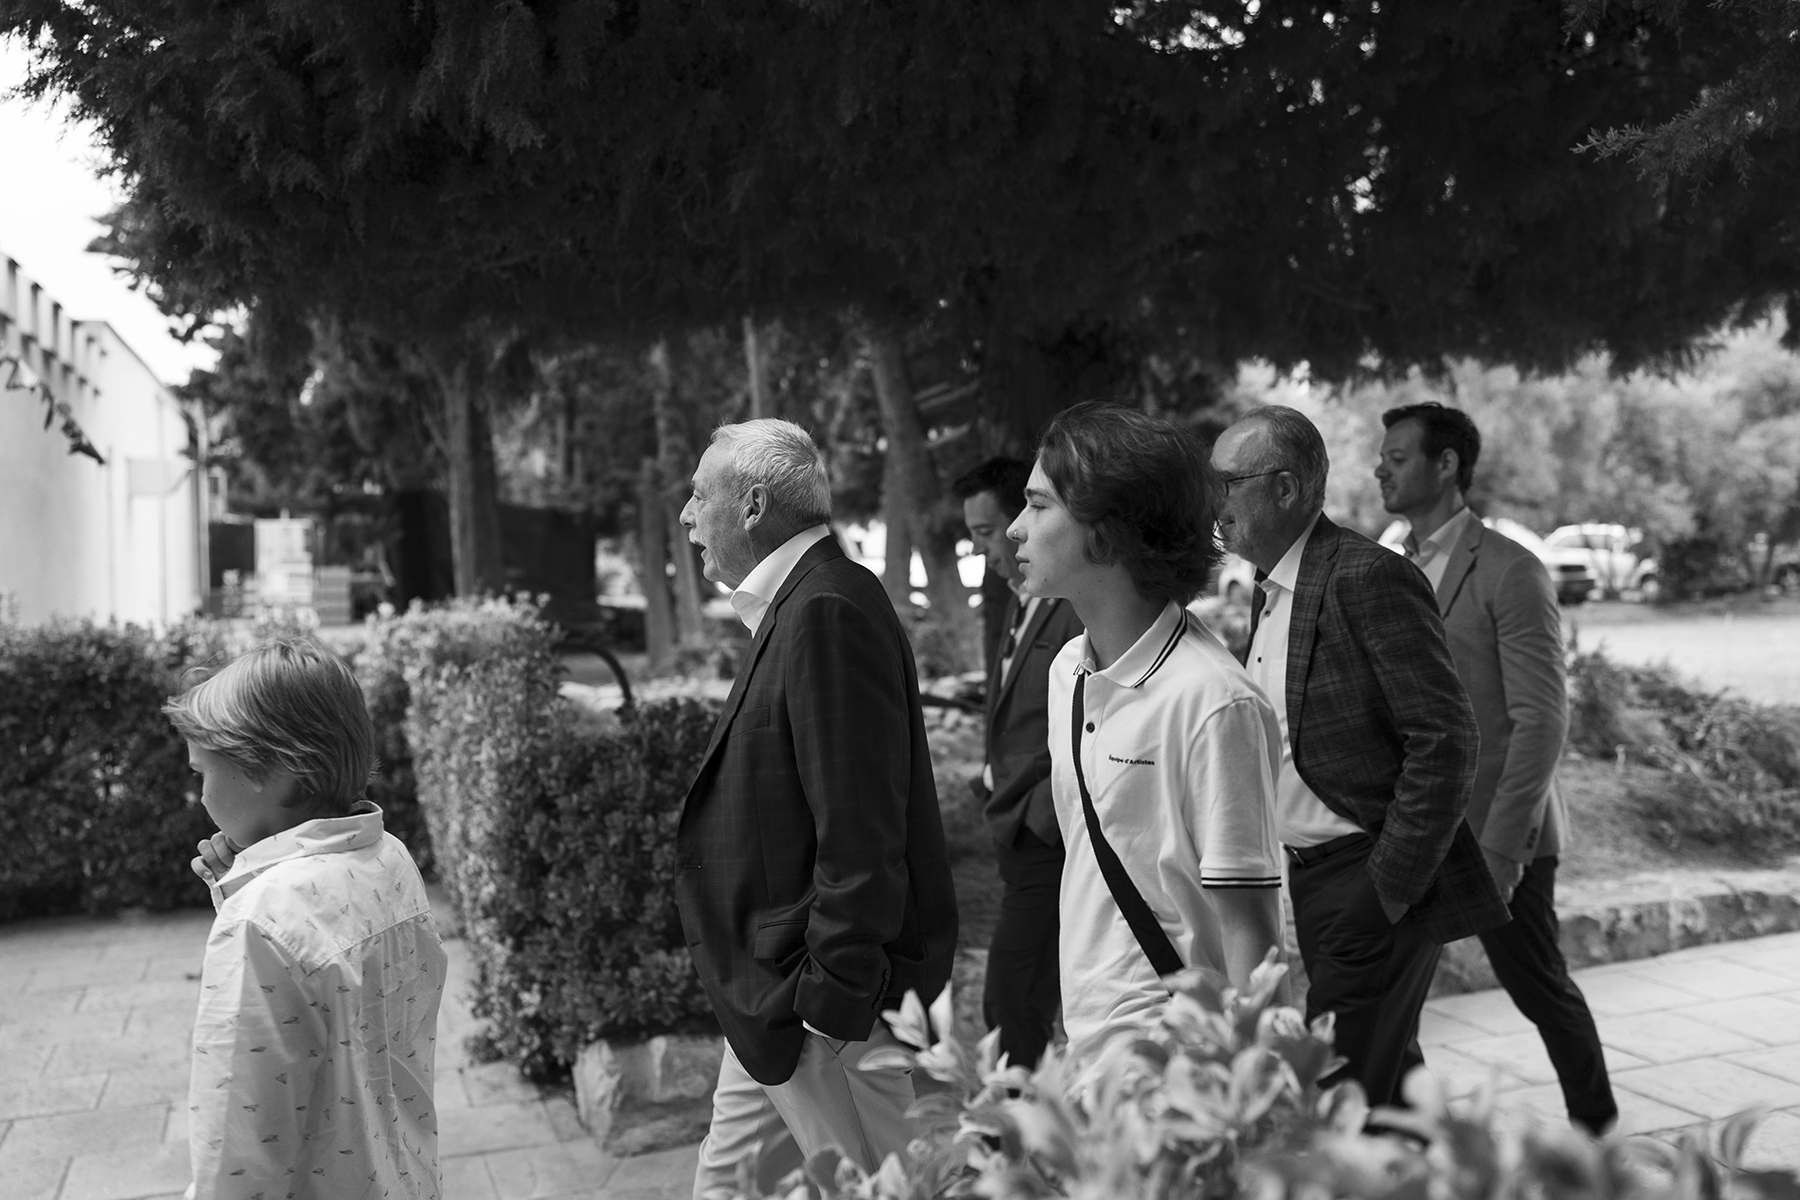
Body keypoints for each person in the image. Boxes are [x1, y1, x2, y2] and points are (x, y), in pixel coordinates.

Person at [677, 418, 958, 1198]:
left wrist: (829, 1003)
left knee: (890, 1188)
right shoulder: (806, 602)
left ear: (753, 505)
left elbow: (861, 830)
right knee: (728, 1184)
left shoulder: (827, 608)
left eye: (700, 495)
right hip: (778, 999)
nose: (688, 516)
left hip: (825, 1006)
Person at [1211, 405, 1508, 1108]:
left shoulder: (1367, 576)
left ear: (1285, 488)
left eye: (1227, 484)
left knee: (1339, 1098)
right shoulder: (1274, 588)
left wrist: (1388, 890)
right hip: (1314, 880)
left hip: (1367, 879)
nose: (1213, 503)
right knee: (1388, 1092)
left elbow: (1445, 738)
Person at [1005, 402, 1285, 1065]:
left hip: (1179, 1055)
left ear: (1108, 534)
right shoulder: (1069, 671)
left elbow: (1251, 932)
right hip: (1088, 1038)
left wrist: (1251, 1087)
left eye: (1039, 506)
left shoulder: (1213, 701)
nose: (1015, 528)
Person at [1378, 402, 1617, 1134]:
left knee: (1536, 983)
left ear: (1446, 464)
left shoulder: (1511, 570)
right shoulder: (1390, 567)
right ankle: (1415, 1141)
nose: (1380, 469)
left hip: (1494, 830)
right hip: (1414, 824)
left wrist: (1504, 848)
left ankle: (1596, 1131)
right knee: (1384, 996)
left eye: (1397, 457)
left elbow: (1542, 721)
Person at [165, 638, 445, 1200]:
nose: (201, 797)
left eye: (203, 774)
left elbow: (238, 1153)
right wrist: (245, 891)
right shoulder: (390, 856)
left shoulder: (259, 923)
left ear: (272, 771)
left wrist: (247, 909)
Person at [952, 456, 1084, 1069]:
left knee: (1011, 1002)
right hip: (1016, 826)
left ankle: (1014, 1124)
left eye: (987, 531)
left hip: (1044, 832)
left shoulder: (1072, 607)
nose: (985, 548)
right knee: (1020, 1001)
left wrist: (1041, 815)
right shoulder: (1020, 599)